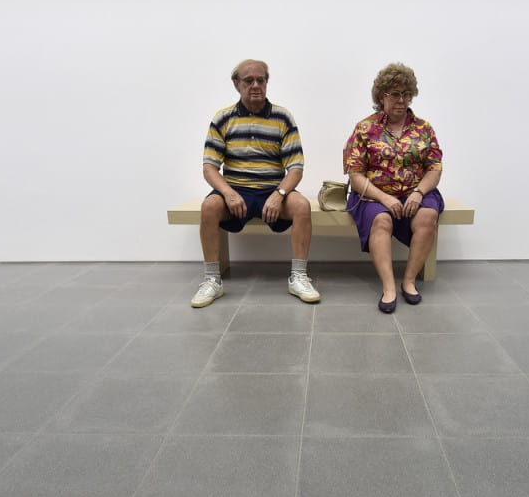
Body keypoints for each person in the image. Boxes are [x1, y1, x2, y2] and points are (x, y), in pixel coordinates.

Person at [190, 59, 321, 307]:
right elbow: (209, 167)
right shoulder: (223, 118)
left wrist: (280, 192)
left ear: (267, 82)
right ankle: (211, 281)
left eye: (261, 80)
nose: (255, 85)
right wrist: (228, 193)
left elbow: (295, 167)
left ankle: (299, 277)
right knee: (209, 208)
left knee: (302, 206)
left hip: (273, 189)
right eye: (248, 80)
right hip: (235, 190)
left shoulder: (283, 117)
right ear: (236, 84)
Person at [344, 62, 444, 313]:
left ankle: (408, 281)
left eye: (406, 94)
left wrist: (419, 192)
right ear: (381, 96)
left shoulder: (424, 128)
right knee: (381, 220)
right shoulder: (365, 128)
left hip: (415, 190)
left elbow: (434, 168)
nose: (402, 100)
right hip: (373, 194)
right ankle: (388, 287)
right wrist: (385, 199)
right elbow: (355, 175)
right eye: (395, 94)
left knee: (428, 215)